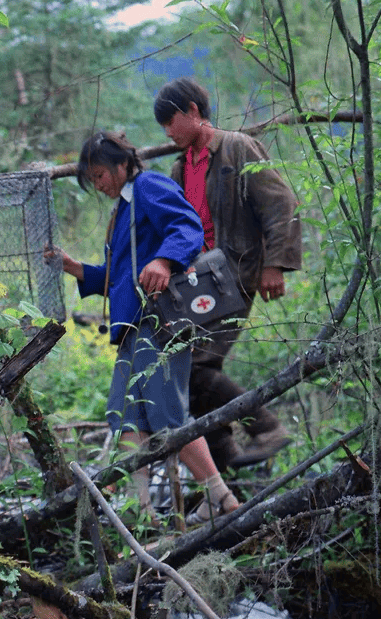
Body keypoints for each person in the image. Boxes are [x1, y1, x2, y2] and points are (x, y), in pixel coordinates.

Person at [47, 132, 239, 524]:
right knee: (126, 416)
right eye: (93, 179)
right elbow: (118, 278)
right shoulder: (123, 210)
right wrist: (72, 266)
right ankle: (143, 513)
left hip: (159, 323)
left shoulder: (148, 186)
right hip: (134, 328)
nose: (99, 185)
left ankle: (221, 497)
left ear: (123, 165)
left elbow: (187, 227)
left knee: (169, 417)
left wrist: (165, 262)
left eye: (101, 174)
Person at [153, 77, 302, 470]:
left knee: (198, 365)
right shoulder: (180, 168)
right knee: (189, 372)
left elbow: (281, 204)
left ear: (193, 111)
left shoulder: (237, 147)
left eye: (171, 121)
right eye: (163, 127)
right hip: (197, 283)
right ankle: (228, 465)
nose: (168, 132)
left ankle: (267, 428)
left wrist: (274, 265)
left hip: (236, 274)